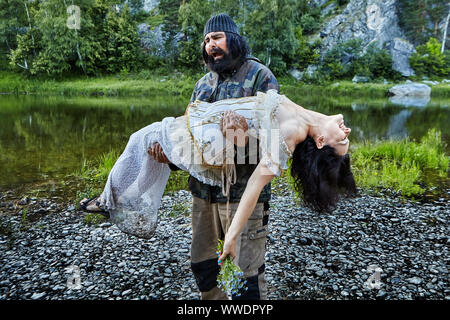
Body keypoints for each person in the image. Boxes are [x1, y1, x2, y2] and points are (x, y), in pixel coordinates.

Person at [80, 89, 357, 299]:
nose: (347, 130)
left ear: (320, 141)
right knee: (147, 150)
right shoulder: (301, 115)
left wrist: (232, 237)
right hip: (197, 132)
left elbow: (253, 187)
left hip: (202, 147)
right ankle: (111, 200)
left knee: (139, 140)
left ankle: (109, 201)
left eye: (342, 138)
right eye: (346, 137)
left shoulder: (291, 133)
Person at [149, 14, 280, 300]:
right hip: (202, 191)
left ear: (232, 39)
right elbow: (190, 138)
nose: (211, 44)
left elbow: (275, 142)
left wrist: (241, 139)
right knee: (203, 263)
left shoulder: (260, 76)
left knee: (247, 273)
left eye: (217, 37)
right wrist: (169, 157)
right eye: (207, 40)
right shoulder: (202, 84)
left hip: (245, 192)